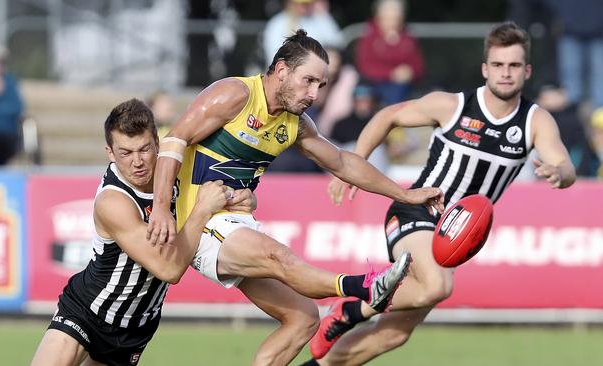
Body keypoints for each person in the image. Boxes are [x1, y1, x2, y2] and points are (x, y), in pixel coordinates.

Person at [147, 30, 444, 365]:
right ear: (282, 70)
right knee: (279, 257)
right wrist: (161, 208)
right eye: (309, 81)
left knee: (304, 319)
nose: (314, 94)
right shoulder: (236, 94)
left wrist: (405, 193)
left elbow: (343, 162)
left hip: (234, 221)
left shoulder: (295, 124)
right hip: (199, 221)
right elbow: (174, 140)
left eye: (321, 85)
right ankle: (364, 286)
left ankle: (362, 290)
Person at [305, 21, 576, 365]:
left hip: (455, 235)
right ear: (485, 69)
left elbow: (565, 166)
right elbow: (388, 116)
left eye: (513, 66)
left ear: (527, 70)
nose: (505, 73)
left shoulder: (535, 121)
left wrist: (559, 173)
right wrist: (353, 165)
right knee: (437, 287)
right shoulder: (452, 106)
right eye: (498, 65)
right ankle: (353, 307)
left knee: (393, 334)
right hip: (416, 211)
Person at [30, 98, 257, 366]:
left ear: (158, 144)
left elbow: (228, 188)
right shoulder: (113, 202)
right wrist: (201, 210)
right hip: (87, 311)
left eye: (144, 150)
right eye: (125, 153)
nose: (137, 162)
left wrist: (242, 198)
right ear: (110, 153)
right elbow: (169, 269)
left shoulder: (177, 171)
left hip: (137, 327)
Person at [354, 0, 424, 107]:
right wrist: (391, 74)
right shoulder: (369, 37)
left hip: (405, 85)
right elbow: (365, 66)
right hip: (375, 84)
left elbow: (419, 66)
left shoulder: (408, 37)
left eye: (397, 18)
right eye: (389, 18)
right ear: (379, 17)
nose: (393, 22)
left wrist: (410, 72)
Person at [262, 0, 343, 67]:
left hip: (320, 68)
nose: (305, 7)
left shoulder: (322, 19)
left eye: (308, 3)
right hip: (290, 71)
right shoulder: (277, 23)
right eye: (301, 4)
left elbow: (337, 45)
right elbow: (275, 57)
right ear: (290, 3)